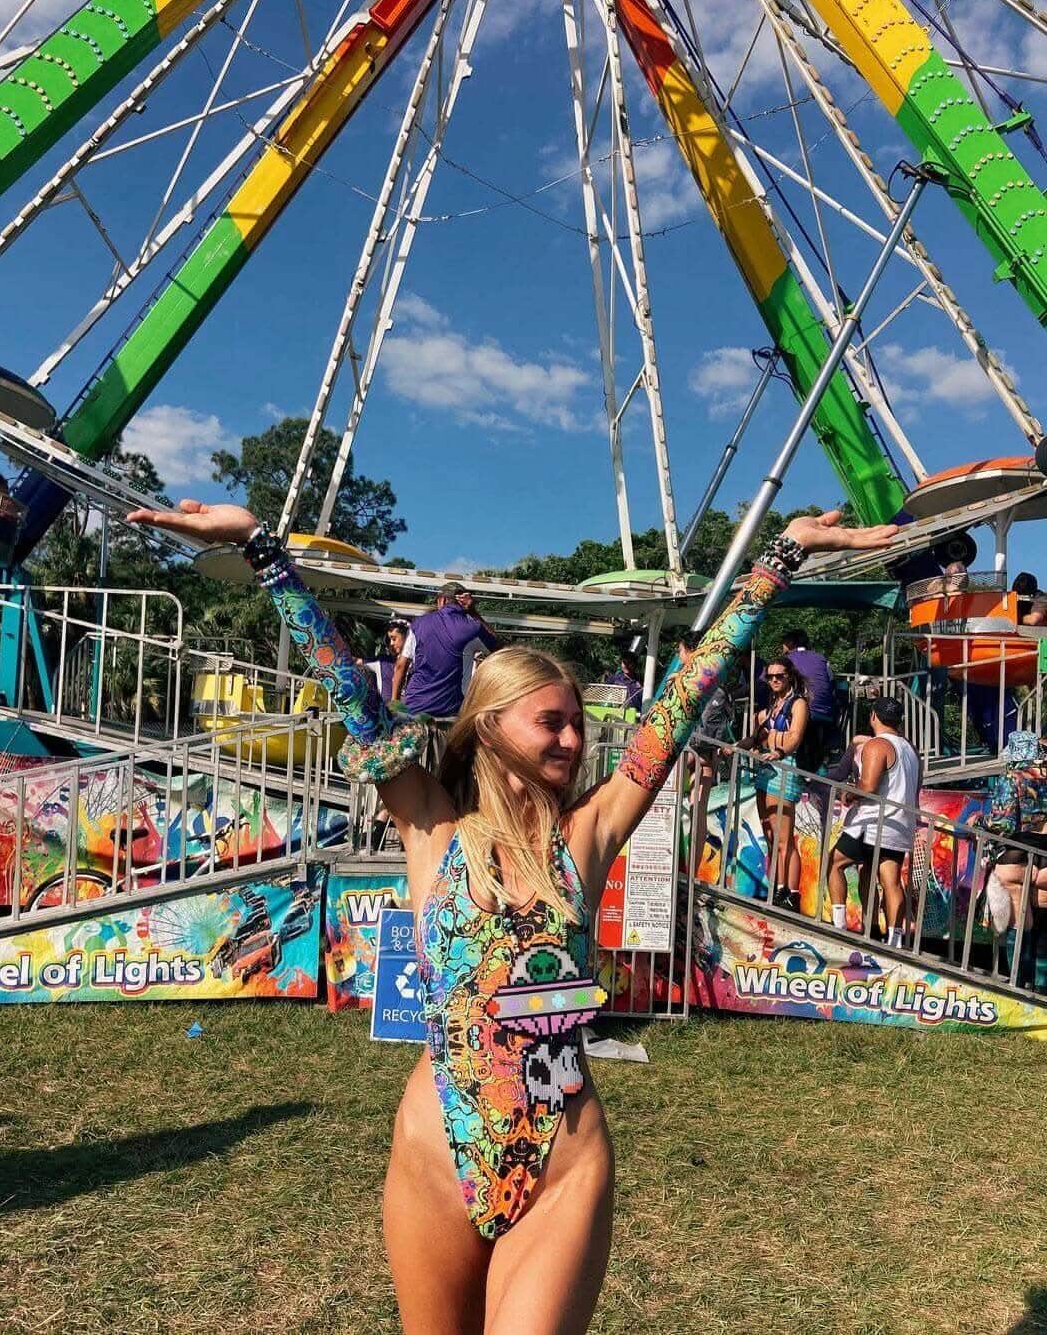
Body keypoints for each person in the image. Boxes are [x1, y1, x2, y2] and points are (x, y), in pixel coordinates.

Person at [127, 496, 895, 1333]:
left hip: (563, 1160)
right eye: (550, 723)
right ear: (489, 728)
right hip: (434, 1155)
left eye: (577, 724)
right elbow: (351, 694)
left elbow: (674, 708)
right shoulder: (431, 824)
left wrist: (777, 560)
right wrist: (263, 551)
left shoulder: (586, 837)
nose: (572, 740)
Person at [826, 696, 921, 947]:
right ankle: (894, 939)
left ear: (873, 717)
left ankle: (839, 925)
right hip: (900, 825)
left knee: (834, 863)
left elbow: (868, 786)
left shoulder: (876, 745)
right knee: (889, 879)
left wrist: (848, 793)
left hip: (872, 824)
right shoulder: (911, 750)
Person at [742, 655, 810, 910]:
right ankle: (779, 886)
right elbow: (759, 735)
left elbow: (795, 737)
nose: (774, 681)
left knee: (784, 837)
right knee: (770, 833)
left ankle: (791, 892)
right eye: (770, 677)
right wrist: (739, 746)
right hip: (766, 768)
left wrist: (778, 750)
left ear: (789, 676)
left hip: (784, 768)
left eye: (779, 676)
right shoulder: (774, 703)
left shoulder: (797, 703)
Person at [983, 732, 1047, 994]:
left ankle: (1018, 987)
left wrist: (979, 822)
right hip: (1044, 855)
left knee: (1019, 924)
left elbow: (1003, 824)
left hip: (1017, 855)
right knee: (1043, 922)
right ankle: (1041, 987)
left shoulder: (1014, 778)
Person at [678, 632, 735, 880]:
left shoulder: (683, 680)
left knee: (675, 806)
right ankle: (692, 869)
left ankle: (678, 865)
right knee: (698, 811)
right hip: (707, 754)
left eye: (680, 650)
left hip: (686, 752)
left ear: (689, 651)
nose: (678, 656)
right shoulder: (717, 685)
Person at [394, 583, 500, 717]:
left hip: (415, 707)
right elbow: (498, 649)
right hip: (451, 711)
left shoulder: (419, 623)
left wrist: (395, 703)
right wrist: (473, 612)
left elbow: (400, 666)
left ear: (442, 600)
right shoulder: (473, 628)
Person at [781, 628, 837, 768]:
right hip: (826, 714)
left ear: (789, 643)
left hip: (800, 714)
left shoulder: (786, 660)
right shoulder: (821, 658)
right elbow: (831, 682)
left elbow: (766, 683)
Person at [361, 618, 409, 697]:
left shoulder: (417, 663)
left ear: (406, 638)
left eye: (394, 639)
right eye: (389, 640)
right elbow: (354, 661)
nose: (391, 644)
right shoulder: (382, 662)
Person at [602, 650, 642, 715]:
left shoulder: (640, 681)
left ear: (635, 664)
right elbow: (602, 694)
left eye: (629, 663)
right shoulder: (614, 679)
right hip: (616, 714)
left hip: (636, 716)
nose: (626, 666)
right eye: (624, 663)